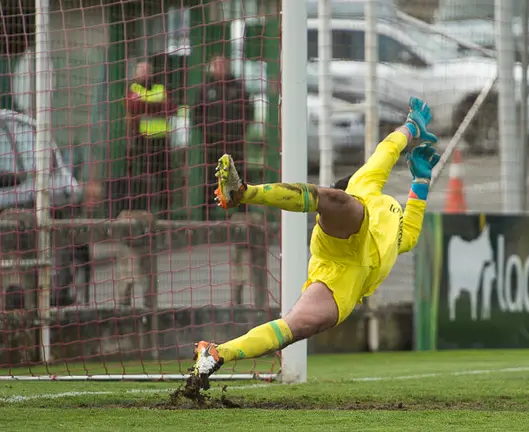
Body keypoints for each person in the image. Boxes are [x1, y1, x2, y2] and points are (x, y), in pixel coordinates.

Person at [189, 97, 440, 389]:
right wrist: (410, 126)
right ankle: (243, 193)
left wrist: (421, 181)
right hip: (339, 247)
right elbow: (387, 149)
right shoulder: (360, 188)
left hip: (344, 285)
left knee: (290, 328)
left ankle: (215, 353)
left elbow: (409, 230)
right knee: (339, 201)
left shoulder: (390, 219)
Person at [192, 56, 254, 217]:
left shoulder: (238, 88)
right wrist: (207, 130)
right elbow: (196, 113)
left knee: (238, 173)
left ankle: (243, 210)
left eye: (222, 65)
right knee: (211, 175)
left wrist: (239, 130)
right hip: (212, 141)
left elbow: (249, 111)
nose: (220, 68)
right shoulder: (205, 88)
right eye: (216, 65)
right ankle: (207, 212)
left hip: (234, 140)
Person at [123, 61, 177, 217]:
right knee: (141, 177)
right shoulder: (133, 88)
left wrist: (145, 105)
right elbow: (133, 106)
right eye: (140, 70)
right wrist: (156, 106)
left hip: (161, 141)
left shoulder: (161, 88)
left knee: (163, 178)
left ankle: (164, 212)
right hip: (141, 140)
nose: (144, 74)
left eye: (146, 70)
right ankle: (141, 209)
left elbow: (171, 108)